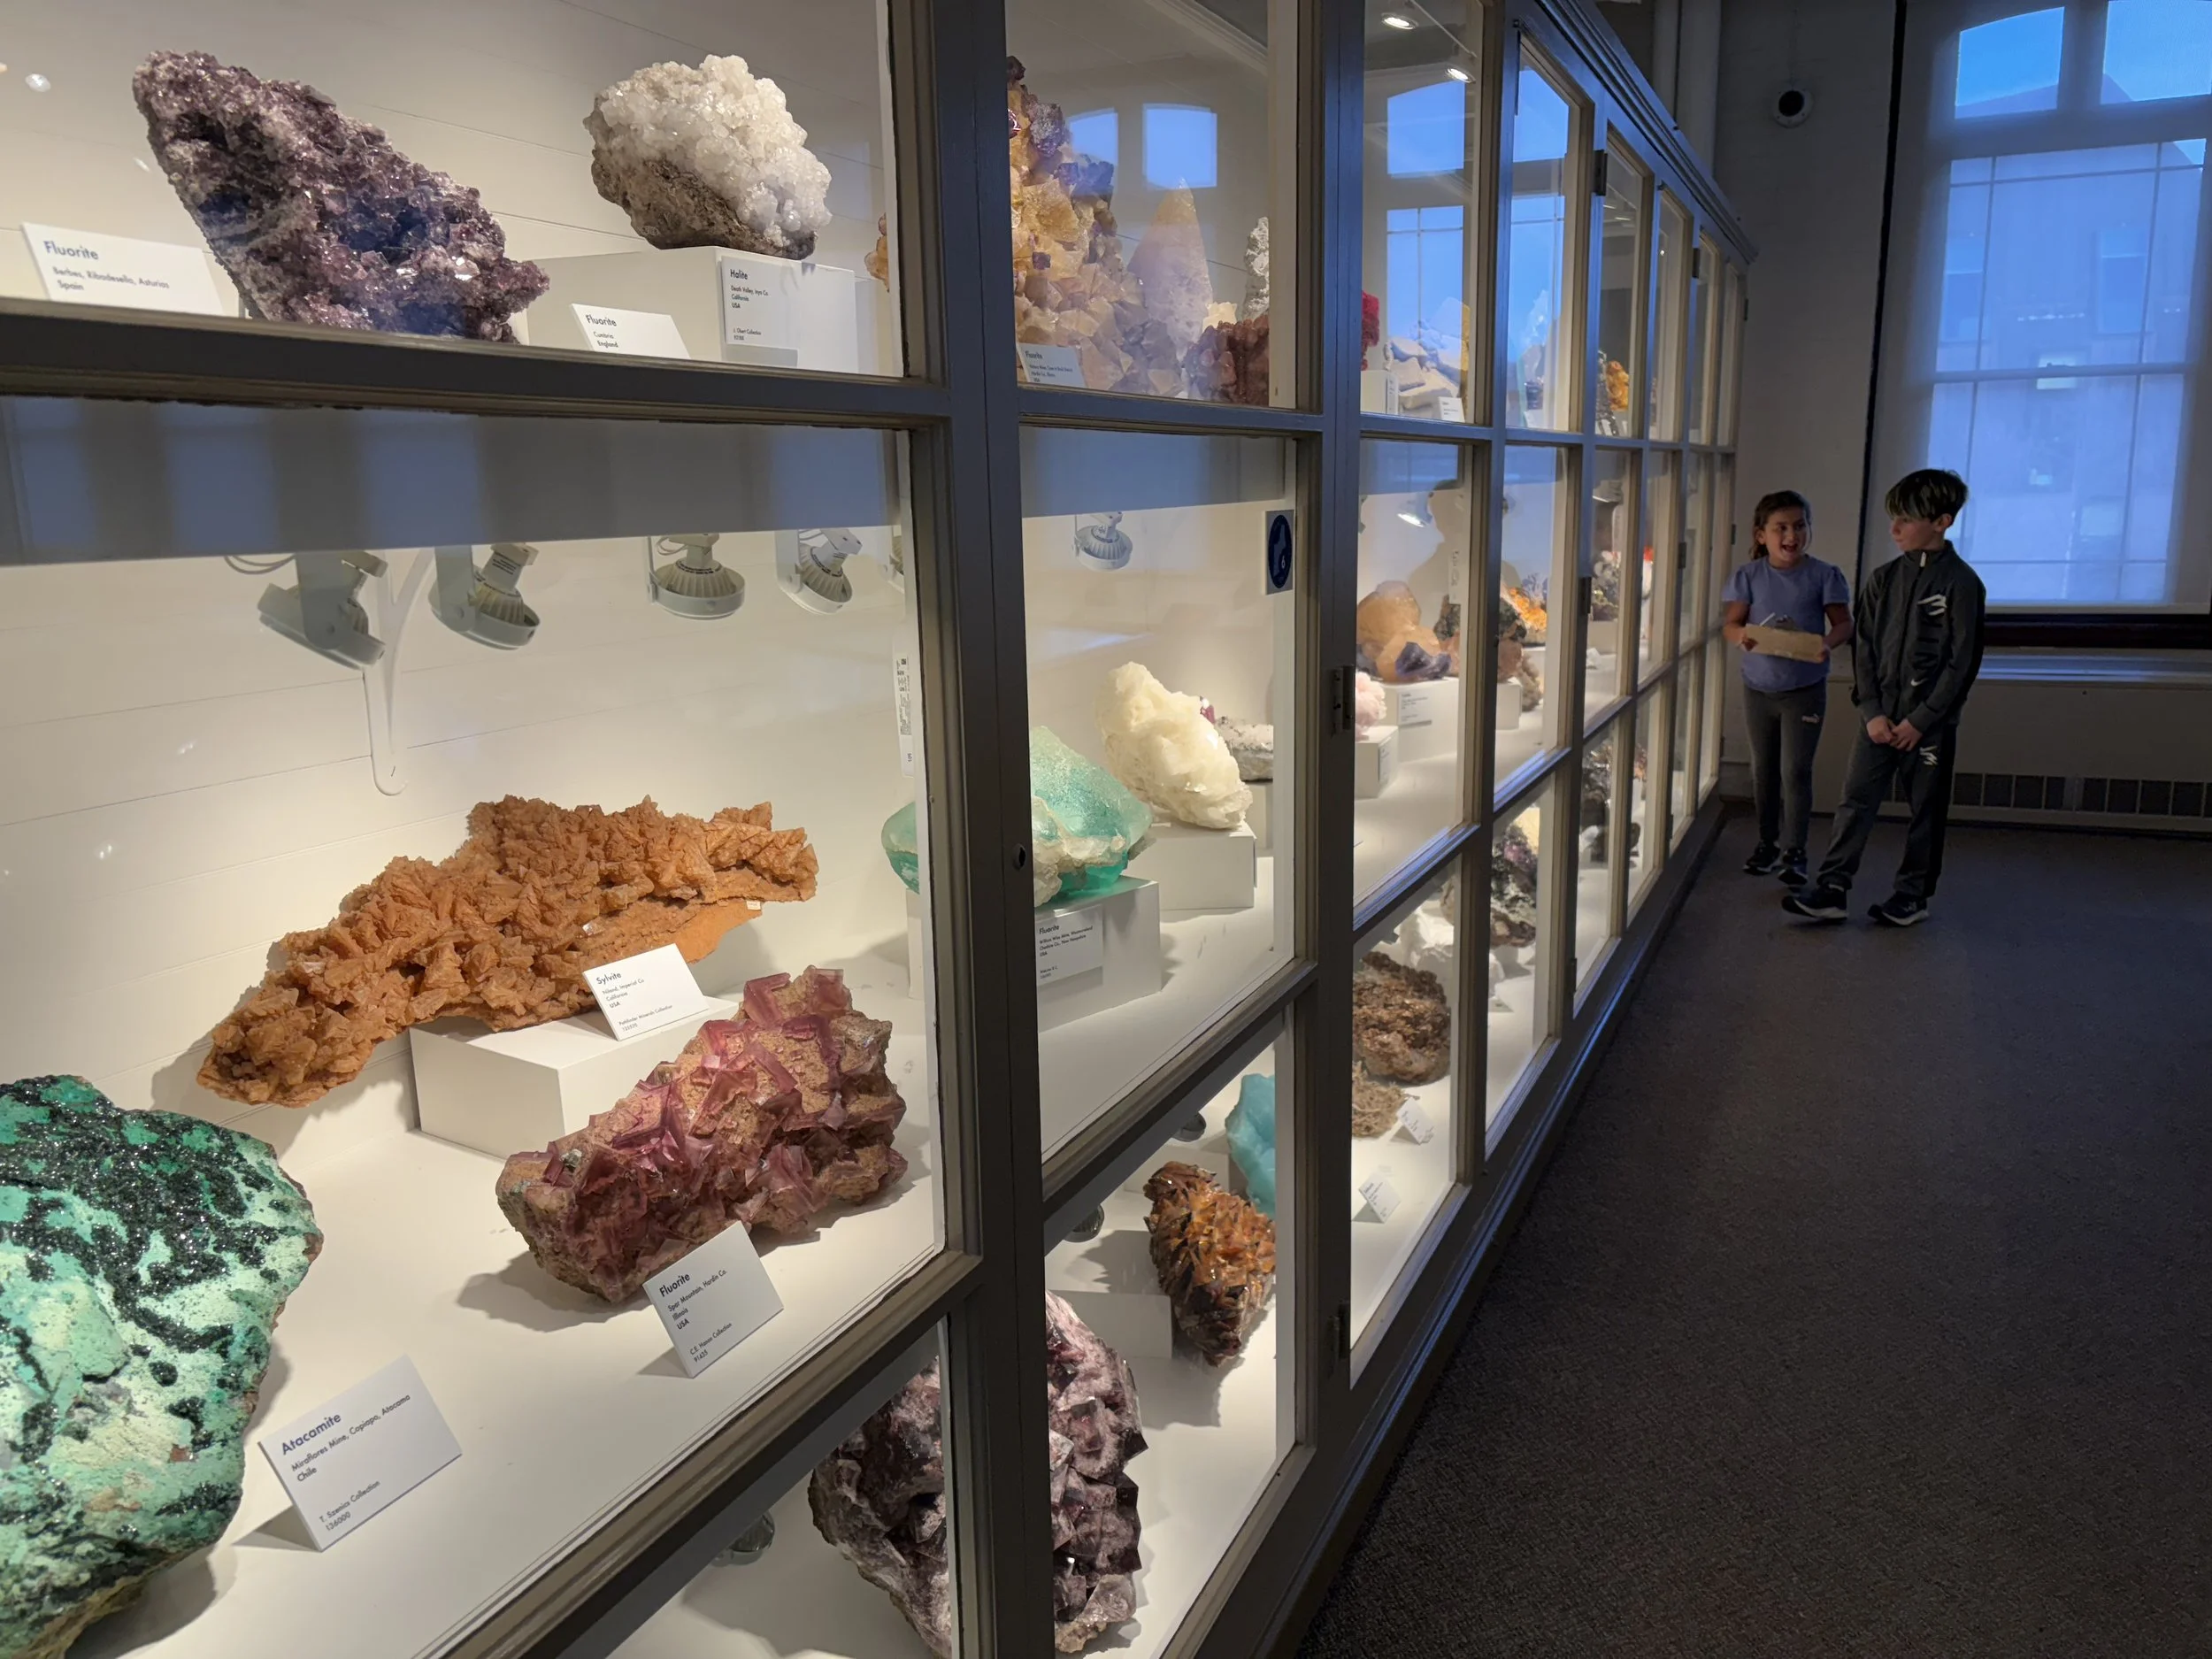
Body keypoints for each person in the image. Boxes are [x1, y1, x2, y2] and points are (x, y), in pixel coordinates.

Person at [1784, 468, 1985, 927]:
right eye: (1892, 518)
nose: (1894, 529)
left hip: (1927, 727)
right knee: (1856, 801)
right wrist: (1871, 711)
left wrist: (1922, 721)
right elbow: (1866, 649)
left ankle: (1912, 895)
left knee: (1926, 812)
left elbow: (1962, 663)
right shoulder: (1881, 580)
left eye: (1906, 519)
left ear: (1942, 521)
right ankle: (1832, 888)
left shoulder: (1963, 585)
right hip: (1877, 721)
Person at [1722, 490, 1853, 887]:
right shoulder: (1748, 576)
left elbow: (1844, 624)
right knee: (1763, 770)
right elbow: (1730, 625)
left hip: (1805, 689)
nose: (1791, 535)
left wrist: (1824, 645)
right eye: (1781, 528)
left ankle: (1794, 853)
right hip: (1759, 689)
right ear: (1762, 535)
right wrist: (1741, 636)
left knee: (1795, 771)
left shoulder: (1824, 575)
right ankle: (1766, 843)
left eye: (1799, 526)